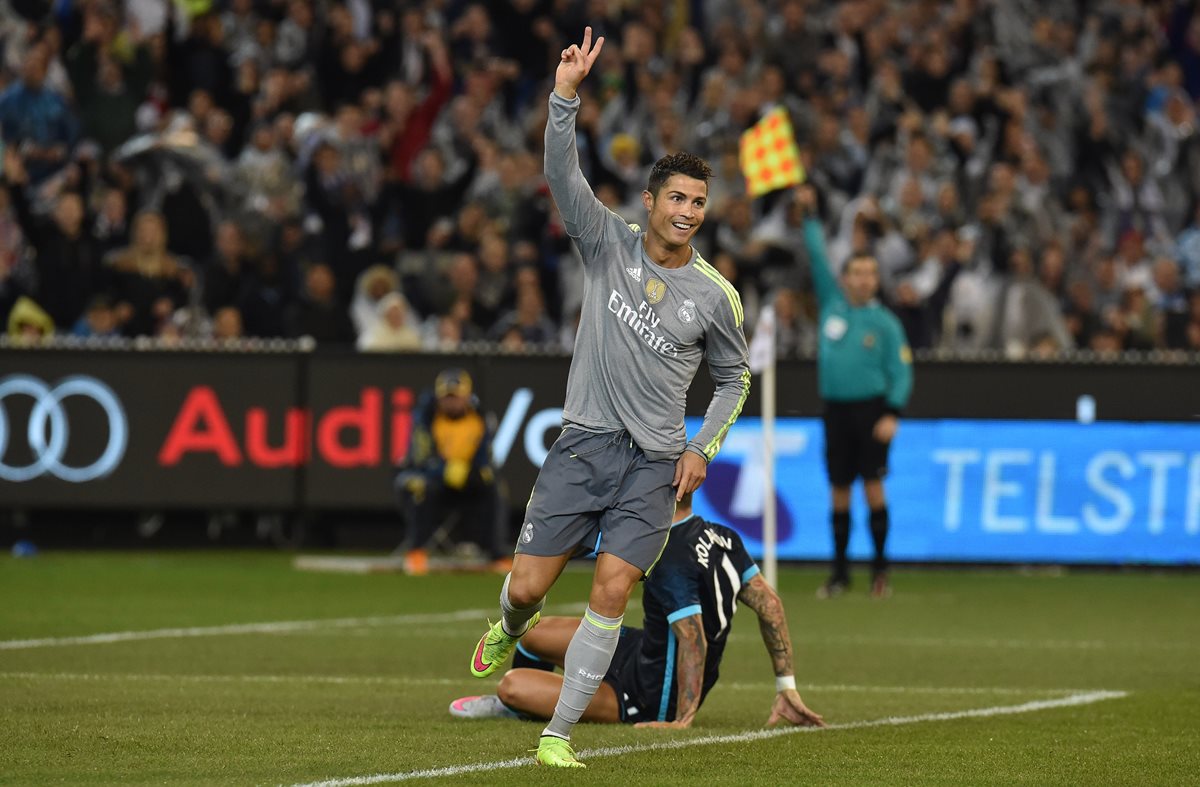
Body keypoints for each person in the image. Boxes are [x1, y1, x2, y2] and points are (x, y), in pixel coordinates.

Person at [468, 28, 751, 769]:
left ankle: (557, 735)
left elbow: (734, 378)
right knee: (528, 588)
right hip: (584, 443)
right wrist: (565, 96)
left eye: (699, 201)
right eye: (678, 198)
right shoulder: (606, 243)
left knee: (614, 586)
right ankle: (506, 622)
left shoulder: (717, 297)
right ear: (651, 200)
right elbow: (563, 175)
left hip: (654, 467)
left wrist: (700, 447)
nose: (689, 211)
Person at [449, 493, 824, 731]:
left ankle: (518, 707)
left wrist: (682, 718)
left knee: (511, 686)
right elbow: (770, 605)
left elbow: (692, 635)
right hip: (640, 650)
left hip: (647, 696)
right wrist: (786, 686)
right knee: (531, 633)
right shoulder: (723, 535)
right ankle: (529, 705)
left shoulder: (665, 553)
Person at [796, 184, 913, 600]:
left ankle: (880, 572)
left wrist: (892, 413)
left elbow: (902, 372)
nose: (863, 280)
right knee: (839, 490)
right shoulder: (832, 305)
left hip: (871, 412)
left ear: (877, 279)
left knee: (873, 488)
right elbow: (815, 257)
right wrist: (809, 215)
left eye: (870, 273)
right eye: (856, 273)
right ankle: (840, 574)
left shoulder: (885, 323)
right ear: (846, 278)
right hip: (835, 412)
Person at [394, 369, 507, 575]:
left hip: (466, 477)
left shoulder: (481, 419)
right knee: (420, 487)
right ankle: (417, 552)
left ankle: (497, 554)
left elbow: (486, 458)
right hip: (432, 478)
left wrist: (472, 472)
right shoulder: (426, 418)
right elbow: (419, 458)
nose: (451, 402)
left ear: (466, 396)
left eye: (455, 397)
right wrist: (444, 469)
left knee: (494, 487)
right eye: (446, 397)